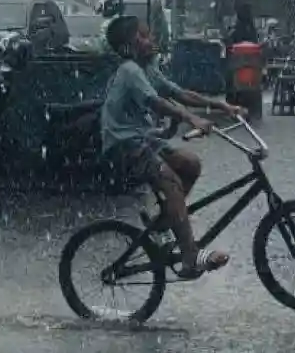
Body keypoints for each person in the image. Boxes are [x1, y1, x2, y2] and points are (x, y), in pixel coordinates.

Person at [102, 14, 247, 280]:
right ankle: (191, 258)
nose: (151, 40)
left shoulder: (147, 68)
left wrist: (220, 105)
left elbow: (179, 93)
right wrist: (191, 119)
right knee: (171, 184)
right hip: (124, 145)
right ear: (128, 47)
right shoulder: (129, 71)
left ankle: (164, 222)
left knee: (190, 165)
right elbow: (156, 101)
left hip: (143, 139)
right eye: (143, 37)